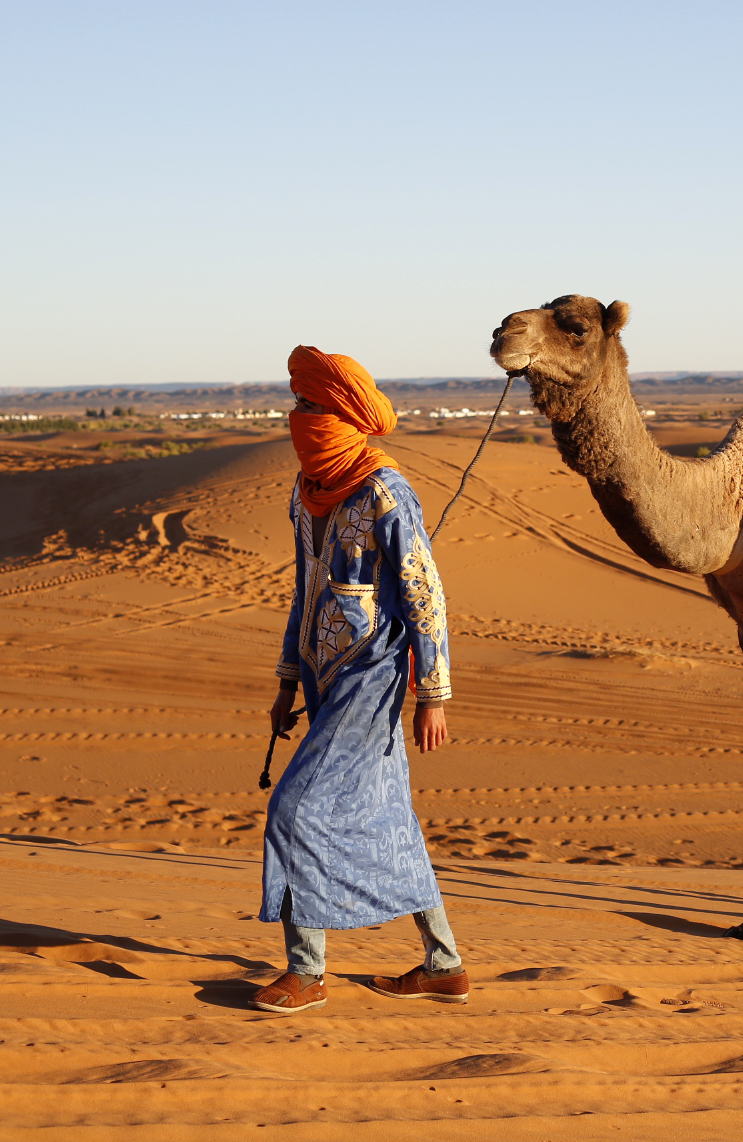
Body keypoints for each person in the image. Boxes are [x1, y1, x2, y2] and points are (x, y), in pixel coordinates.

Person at [249, 345, 469, 1014]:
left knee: (295, 809)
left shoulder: (385, 493)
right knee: (389, 819)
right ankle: (445, 963)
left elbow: (425, 593)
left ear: (343, 415)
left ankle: (306, 971)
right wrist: (287, 679)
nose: (300, 417)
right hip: (322, 679)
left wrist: (432, 693)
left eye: (313, 407)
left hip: (372, 680)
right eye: (298, 405)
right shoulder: (306, 493)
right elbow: (305, 589)